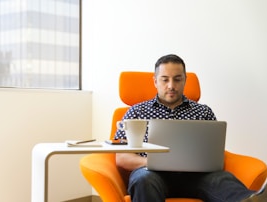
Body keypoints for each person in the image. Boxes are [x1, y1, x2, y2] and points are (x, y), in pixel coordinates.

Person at [114, 54, 267, 202]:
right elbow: (122, 157)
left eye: (177, 79)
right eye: (165, 79)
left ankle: (252, 199)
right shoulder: (136, 112)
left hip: (197, 177)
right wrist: (155, 162)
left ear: (185, 80)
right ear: (155, 81)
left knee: (223, 179)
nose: (171, 86)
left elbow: (214, 154)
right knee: (143, 179)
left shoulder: (203, 111)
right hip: (151, 174)